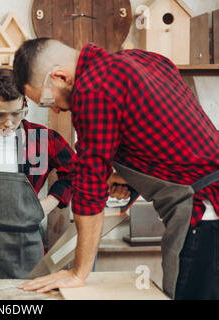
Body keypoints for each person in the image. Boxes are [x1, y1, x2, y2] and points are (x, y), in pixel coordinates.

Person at [13, 38, 219, 299]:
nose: (53, 108)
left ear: (60, 76)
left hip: (205, 211)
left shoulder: (92, 89)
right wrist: (131, 180)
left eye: (45, 100)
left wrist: (78, 273)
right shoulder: (142, 60)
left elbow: (89, 185)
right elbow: (168, 138)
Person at [0, 68, 131, 279]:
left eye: (16, 113)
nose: (9, 123)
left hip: (27, 245)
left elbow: (76, 172)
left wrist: (49, 203)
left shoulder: (44, 140)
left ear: (25, 104)